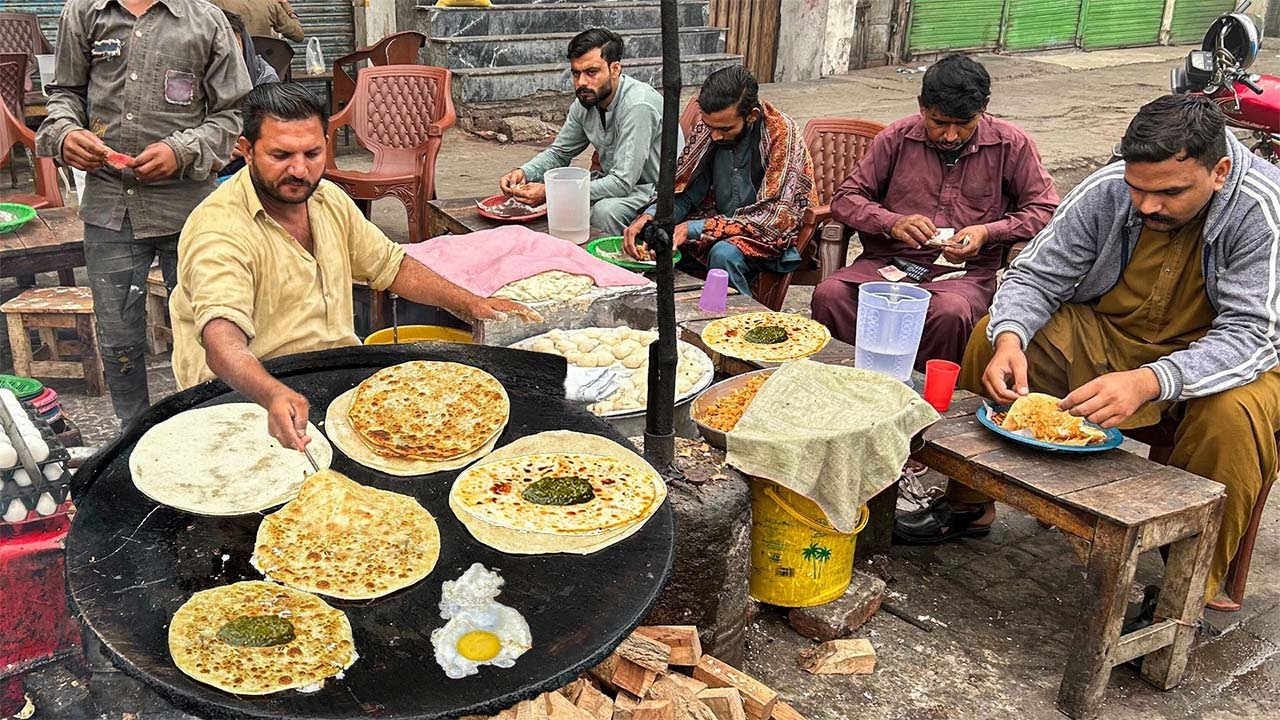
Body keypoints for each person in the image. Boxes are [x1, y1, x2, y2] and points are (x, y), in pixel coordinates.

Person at [895, 94, 1280, 607]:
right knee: (991, 332)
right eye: (1137, 189)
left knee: (1233, 418)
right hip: (1112, 334)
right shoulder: (1110, 188)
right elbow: (1035, 275)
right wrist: (1011, 336)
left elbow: (1251, 334)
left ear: (1220, 171)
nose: (1147, 206)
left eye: (1168, 193)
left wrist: (1150, 379)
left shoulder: (1261, 208)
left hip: (1225, 357)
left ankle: (1185, 588)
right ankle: (968, 503)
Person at [171, 83, 540, 450]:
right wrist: (272, 394)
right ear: (246, 151)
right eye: (281, 155)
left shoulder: (328, 199)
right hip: (242, 397)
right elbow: (222, 343)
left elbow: (391, 266)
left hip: (333, 375)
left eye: (312, 153)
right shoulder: (219, 230)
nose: (300, 170)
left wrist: (470, 303)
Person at [35, 0, 252, 424]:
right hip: (110, 208)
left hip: (189, 212)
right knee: (118, 341)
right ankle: (131, 435)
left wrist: (182, 149)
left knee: (207, 330)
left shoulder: (206, 21)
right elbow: (65, 95)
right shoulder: (84, 12)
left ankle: (211, 426)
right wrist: (65, 134)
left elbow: (233, 114)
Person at [810, 54, 1058, 371]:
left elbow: (1046, 209)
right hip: (889, 265)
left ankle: (931, 400)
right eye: (939, 123)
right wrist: (892, 223)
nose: (950, 135)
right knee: (831, 295)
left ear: (983, 109)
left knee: (950, 311)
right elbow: (846, 198)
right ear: (922, 107)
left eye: (964, 125)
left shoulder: (1011, 145)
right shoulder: (895, 139)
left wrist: (987, 232)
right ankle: (839, 383)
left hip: (963, 277)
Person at [622, 66, 816, 298]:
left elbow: (775, 217)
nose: (714, 136)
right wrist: (653, 215)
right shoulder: (711, 128)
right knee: (657, 236)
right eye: (710, 127)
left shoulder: (782, 133)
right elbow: (687, 191)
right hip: (719, 224)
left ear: (751, 116)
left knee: (724, 254)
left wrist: (693, 228)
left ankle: (738, 324)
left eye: (725, 129)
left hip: (772, 237)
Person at [498, 28, 665, 234]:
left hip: (657, 192)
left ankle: (615, 265)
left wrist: (551, 193)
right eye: (576, 73)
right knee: (539, 191)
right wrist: (523, 172)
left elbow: (622, 182)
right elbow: (559, 153)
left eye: (591, 72)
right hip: (619, 184)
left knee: (604, 211)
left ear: (615, 69)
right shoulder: (586, 101)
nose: (581, 82)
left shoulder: (638, 105)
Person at [210, 0, 304, 42]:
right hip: (263, 71)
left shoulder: (215, 4)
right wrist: (287, 7)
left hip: (231, 71)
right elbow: (298, 35)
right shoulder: (270, 4)